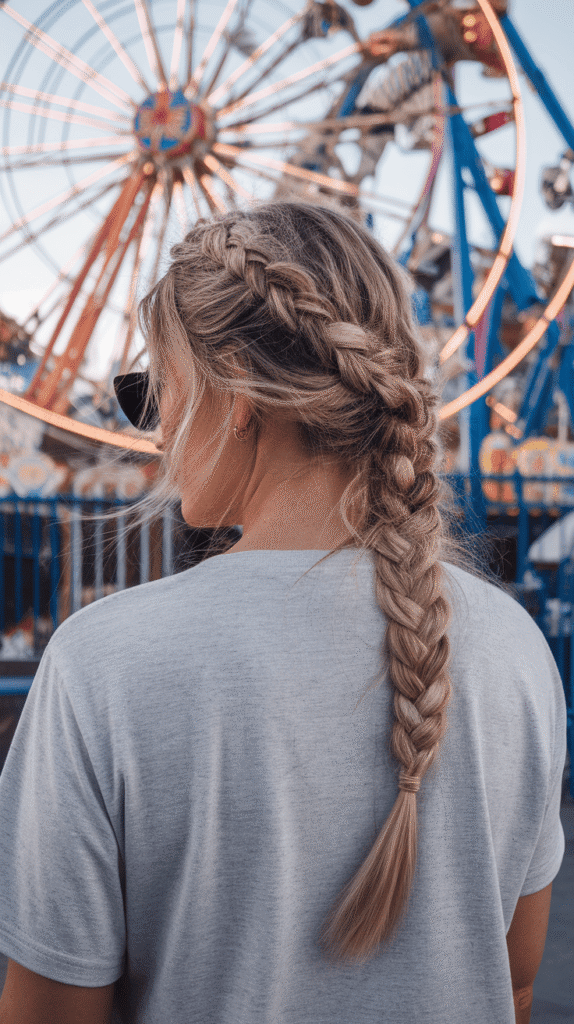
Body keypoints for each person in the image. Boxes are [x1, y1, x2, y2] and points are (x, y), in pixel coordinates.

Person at [0, 201, 566, 1024]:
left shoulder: (106, 664)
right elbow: (513, 981)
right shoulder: (515, 646)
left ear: (233, 393)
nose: (153, 431)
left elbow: (50, 1011)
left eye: (154, 390)